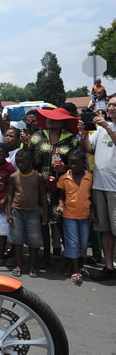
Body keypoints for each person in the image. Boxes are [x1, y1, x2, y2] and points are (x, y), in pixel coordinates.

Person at [28, 107, 79, 267]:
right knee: (42, 222)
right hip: (39, 187)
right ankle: (46, 256)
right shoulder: (37, 136)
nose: (49, 120)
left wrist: (65, 169)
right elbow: (27, 159)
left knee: (62, 224)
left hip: (63, 189)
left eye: (54, 119)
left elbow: (79, 164)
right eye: (48, 118)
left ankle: (71, 260)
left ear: (63, 122)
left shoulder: (72, 140)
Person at [79, 96, 116, 280]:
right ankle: (109, 267)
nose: (111, 108)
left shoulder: (106, 128)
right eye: (109, 104)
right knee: (105, 229)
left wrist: (108, 127)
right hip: (99, 185)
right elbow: (87, 149)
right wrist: (84, 134)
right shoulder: (100, 130)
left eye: (115, 105)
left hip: (115, 189)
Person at [7, 149, 48, 278]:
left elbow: (42, 196)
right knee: (17, 240)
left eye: (23, 162)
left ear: (30, 162)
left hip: (33, 213)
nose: (20, 165)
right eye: (18, 162)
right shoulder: (14, 176)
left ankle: (32, 266)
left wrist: (45, 214)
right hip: (17, 211)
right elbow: (10, 195)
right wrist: (9, 213)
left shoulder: (38, 177)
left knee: (33, 241)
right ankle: (18, 265)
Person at [57, 149, 94, 284]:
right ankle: (75, 270)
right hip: (69, 215)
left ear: (83, 163)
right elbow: (61, 196)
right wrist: (60, 205)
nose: (73, 166)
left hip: (85, 215)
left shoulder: (89, 177)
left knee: (83, 243)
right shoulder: (64, 178)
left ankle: (80, 265)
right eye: (71, 163)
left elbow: (93, 197)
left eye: (76, 164)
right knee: (73, 243)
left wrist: (93, 213)